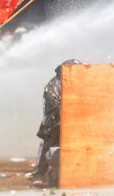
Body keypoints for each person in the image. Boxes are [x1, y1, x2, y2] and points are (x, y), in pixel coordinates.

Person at [28, 59, 82, 187]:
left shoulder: (76, 81)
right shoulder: (54, 85)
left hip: (72, 120)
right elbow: (54, 108)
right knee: (48, 146)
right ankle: (39, 174)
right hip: (54, 122)